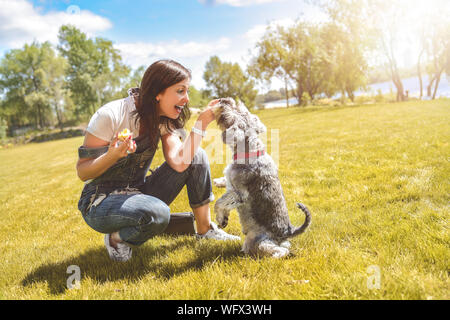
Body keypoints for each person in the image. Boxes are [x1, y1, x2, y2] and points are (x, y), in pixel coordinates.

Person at [76, 59, 240, 262]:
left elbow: (180, 162)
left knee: (196, 157)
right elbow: (83, 171)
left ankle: (204, 231)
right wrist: (112, 155)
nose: (186, 99)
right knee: (158, 213)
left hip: (137, 193)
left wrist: (201, 123)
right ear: (158, 92)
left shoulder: (161, 119)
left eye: (187, 91)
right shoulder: (110, 115)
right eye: (180, 91)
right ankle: (116, 239)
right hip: (99, 202)